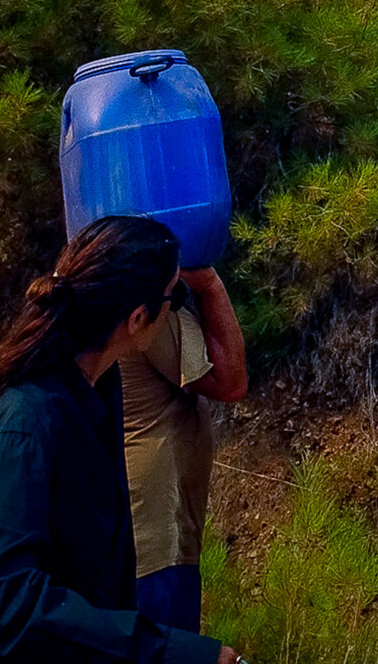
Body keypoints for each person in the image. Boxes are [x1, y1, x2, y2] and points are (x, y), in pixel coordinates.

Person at [0, 216, 238, 664]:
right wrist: (176, 655)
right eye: (174, 297)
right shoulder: (19, 427)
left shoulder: (94, 390)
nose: (175, 308)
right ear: (138, 318)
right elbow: (9, 614)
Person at [122, 264, 247, 631]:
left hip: (124, 531)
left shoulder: (86, 306)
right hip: (156, 536)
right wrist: (207, 283)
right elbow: (229, 381)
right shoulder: (146, 313)